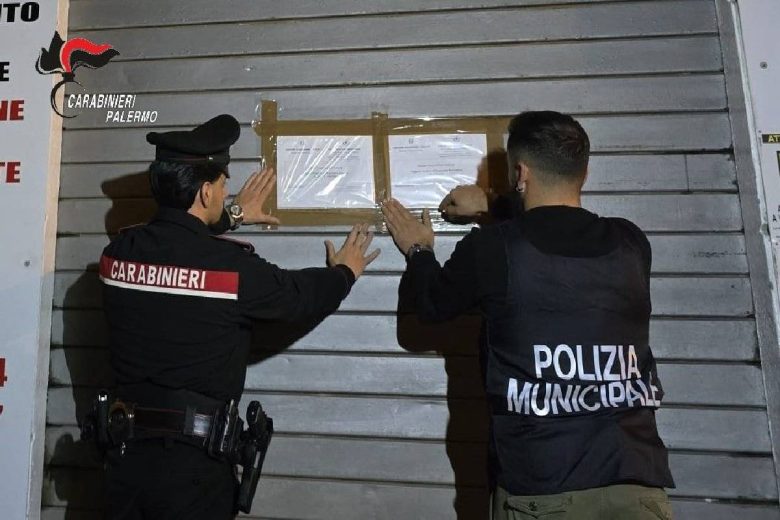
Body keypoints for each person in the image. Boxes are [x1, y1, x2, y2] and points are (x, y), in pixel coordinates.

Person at [382, 111, 674, 520]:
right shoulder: (631, 243)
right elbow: (555, 228)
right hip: (636, 485)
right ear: (584, 173)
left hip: (543, 491)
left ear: (520, 173)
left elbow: (430, 307)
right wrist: (493, 203)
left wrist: (419, 250)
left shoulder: (492, 248)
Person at [97, 114, 380, 519]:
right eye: (223, 184)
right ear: (206, 192)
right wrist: (344, 273)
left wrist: (231, 216)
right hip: (193, 474)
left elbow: (174, 247)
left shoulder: (117, 255)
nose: (227, 190)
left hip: (125, 462)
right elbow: (298, 297)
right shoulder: (233, 270)